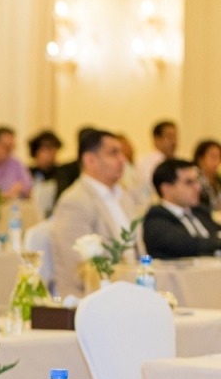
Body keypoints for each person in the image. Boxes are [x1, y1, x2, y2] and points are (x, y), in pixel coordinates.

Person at [50, 128, 142, 297]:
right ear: (90, 160)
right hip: (92, 296)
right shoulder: (75, 201)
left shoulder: (124, 196)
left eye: (122, 153)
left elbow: (137, 253)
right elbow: (76, 267)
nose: (122, 160)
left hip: (131, 287)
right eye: (114, 153)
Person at [141, 158, 221, 259]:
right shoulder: (156, 219)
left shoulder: (199, 212)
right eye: (189, 182)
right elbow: (190, 245)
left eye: (197, 181)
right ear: (167, 188)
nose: (198, 187)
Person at [137, 120, 179, 201]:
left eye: (175, 137)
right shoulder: (146, 163)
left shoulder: (178, 163)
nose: (173, 142)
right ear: (156, 140)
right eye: (169, 137)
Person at [193, 139, 221, 214]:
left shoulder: (218, 179)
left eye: (219, 157)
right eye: (213, 156)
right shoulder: (193, 179)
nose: (217, 161)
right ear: (200, 159)